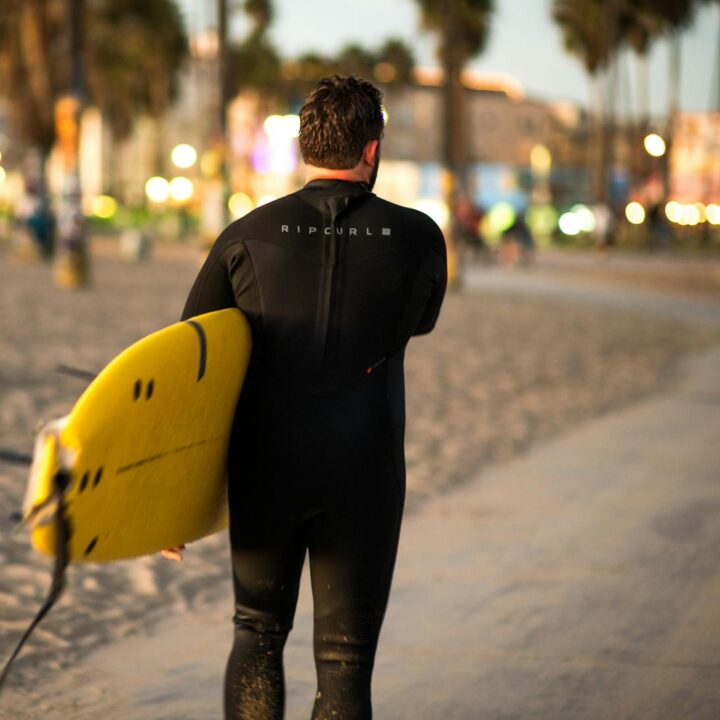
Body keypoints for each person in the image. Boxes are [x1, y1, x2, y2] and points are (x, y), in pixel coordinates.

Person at [177, 75, 447, 719]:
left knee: (257, 631)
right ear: (372, 150)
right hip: (364, 468)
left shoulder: (245, 235)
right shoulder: (417, 237)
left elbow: (193, 359)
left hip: (266, 470)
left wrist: (174, 499)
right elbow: (422, 322)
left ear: (304, 146)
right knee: (346, 660)